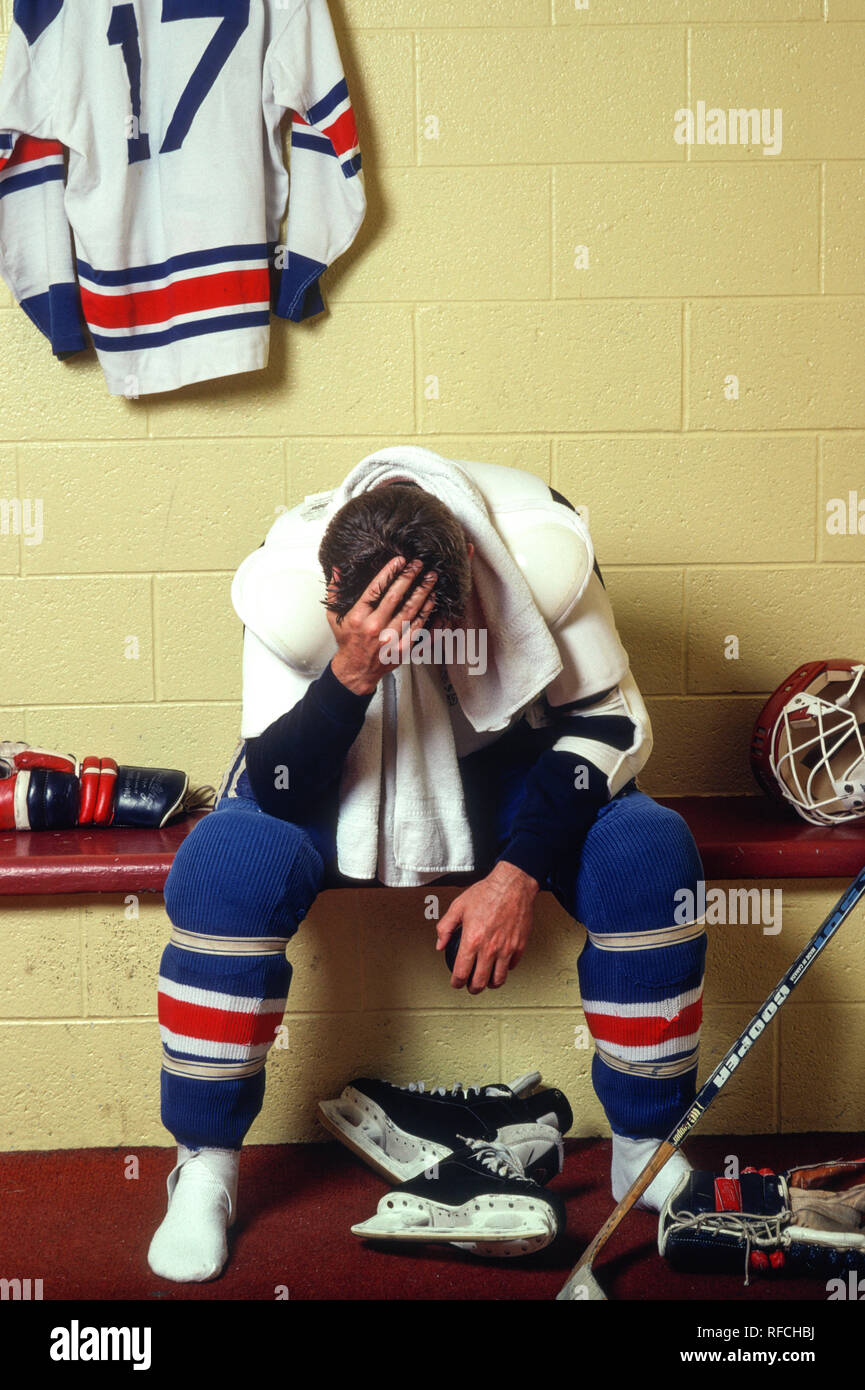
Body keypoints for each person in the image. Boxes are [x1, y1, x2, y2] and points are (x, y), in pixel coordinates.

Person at [147, 447, 706, 1283]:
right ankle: (204, 1166)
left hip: (512, 757)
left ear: (474, 575)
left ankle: (641, 1147)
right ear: (333, 593)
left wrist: (515, 874)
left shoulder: (540, 549)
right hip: (344, 756)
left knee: (647, 852)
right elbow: (279, 780)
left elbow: (612, 725)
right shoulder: (288, 583)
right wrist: (349, 675)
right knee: (227, 863)